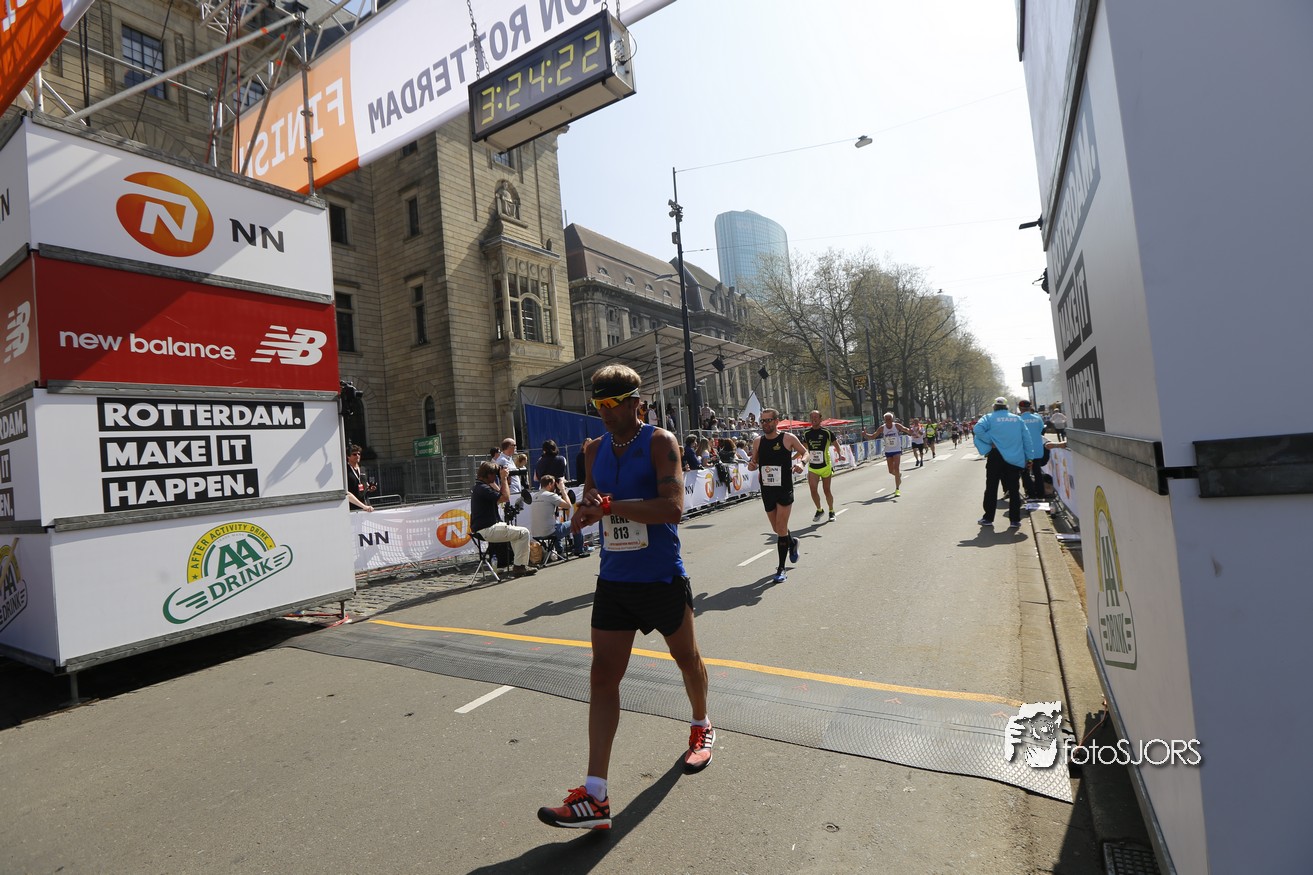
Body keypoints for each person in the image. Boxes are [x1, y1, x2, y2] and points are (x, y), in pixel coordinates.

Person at [537, 364, 712, 831]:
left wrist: (612, 507)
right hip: (614, 579)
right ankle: (595, 796)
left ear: (637, 402)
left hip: (660, 577)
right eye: (598, 405)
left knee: (687, 659)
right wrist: (583, 514)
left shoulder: (661, 443)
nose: (604, 413)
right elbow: (591, 500)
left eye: (612, 404)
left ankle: (701, 724)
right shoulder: (594, 450)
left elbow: (672, 508)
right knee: (602, 678)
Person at [747, 407, 807, 583]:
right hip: (767, 489)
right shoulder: (758, 442)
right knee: (777, 529)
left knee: (781, 528)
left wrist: (802, 464)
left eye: (768, 420)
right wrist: (752, 465)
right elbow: (753, 462)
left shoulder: (788, 438)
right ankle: (792, 542)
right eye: (762, 421)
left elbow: (806, 453)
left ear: (776, 421)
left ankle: (781, 568)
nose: (765, 424)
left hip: (784, 488)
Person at [973, 397, 1035, 529]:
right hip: (1014, 458)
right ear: (1006, 407)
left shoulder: (988, 418)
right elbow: (1027, 439)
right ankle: (1014, 520)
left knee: (991, 487)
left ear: (994, 406)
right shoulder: (1017, 419)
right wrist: (1029, 458)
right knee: (1014, 489)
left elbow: (977, 429)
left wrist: (990, 441)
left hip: (996, 456)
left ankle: (988, 518)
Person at [469, 461, 537, 577]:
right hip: (487, 529)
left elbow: (500, 496)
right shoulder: (483, 488)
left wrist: (505, 480)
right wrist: (504, 479)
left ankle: (519, 565)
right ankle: (519, 567)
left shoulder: (480, 487)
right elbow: (505, 497)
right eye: (495, 474)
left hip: (484, 528)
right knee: (524, 532)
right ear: (489, 474)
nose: (496, 477)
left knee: (517, 534)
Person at [528, 474, 585, 560]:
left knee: (556, 524)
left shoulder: (535, 496)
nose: (555, 486)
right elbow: (568, 505)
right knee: (575, 522)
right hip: (549, 532)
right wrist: (562, 489)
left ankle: (560, 552)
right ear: (550, 484)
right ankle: (579, 550)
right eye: (554, 484)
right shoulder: (550, 496)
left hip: (536, 533)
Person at [862, 413, 913, 496]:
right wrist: (865, 435)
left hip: (896, 449)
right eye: (886, 419)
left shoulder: (896, 426)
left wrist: (909, 431)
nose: (888, 421)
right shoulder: (882, 428)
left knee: (896, 468)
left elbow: (905, 429)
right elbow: (873, 436)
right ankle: (898, 475)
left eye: (889, 419)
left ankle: (897, 489)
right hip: (888, 450)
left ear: (892, 419)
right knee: (891, 471)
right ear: (884, 420)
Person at [801, 410, 839, 523]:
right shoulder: (806, 433)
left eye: (816, 417)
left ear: (820, 419)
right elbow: (803, 449)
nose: (813, 419)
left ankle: (831, 511)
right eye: (812, 417)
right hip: (813, 467)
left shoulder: (827, 432)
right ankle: (819, 509)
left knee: (826, 490)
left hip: (825, 466)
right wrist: (794, 457)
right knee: (813, 490)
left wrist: (840, 454)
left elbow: (836, 444)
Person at [1016, 399, 1048, 499]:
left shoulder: (1018, 420)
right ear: (1030, 408)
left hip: (1025, 451)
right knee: (1037, 472)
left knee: (1025, 474)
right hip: (1038, 450)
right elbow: (1041, 430)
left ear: (1020, 409)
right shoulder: (1038, 418)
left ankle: (1031, 494)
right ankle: (1040, 494)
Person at [345, 444, 375, 511]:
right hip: (353, 508)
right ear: (348, 456)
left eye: (359, 454)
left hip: (366, 505)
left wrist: (369, 488)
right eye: (354, 454)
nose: (357, 456)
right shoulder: (345, 470)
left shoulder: (362, 468)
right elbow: (346, 492)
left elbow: (365, 484)